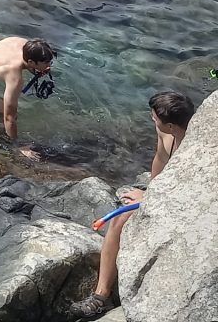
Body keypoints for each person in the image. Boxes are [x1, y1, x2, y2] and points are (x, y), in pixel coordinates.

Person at [68, 91, 196, 320]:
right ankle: (100, 294)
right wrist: (149, 189)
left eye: (155, 117)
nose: (151, 118)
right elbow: (160, 159)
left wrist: (151, 200)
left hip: (185, 199)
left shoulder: (194, 147)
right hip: (163, 190)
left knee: (117, 220)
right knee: (123, 209)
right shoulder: (165, 131)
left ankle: (100, 297)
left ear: (171, 125)